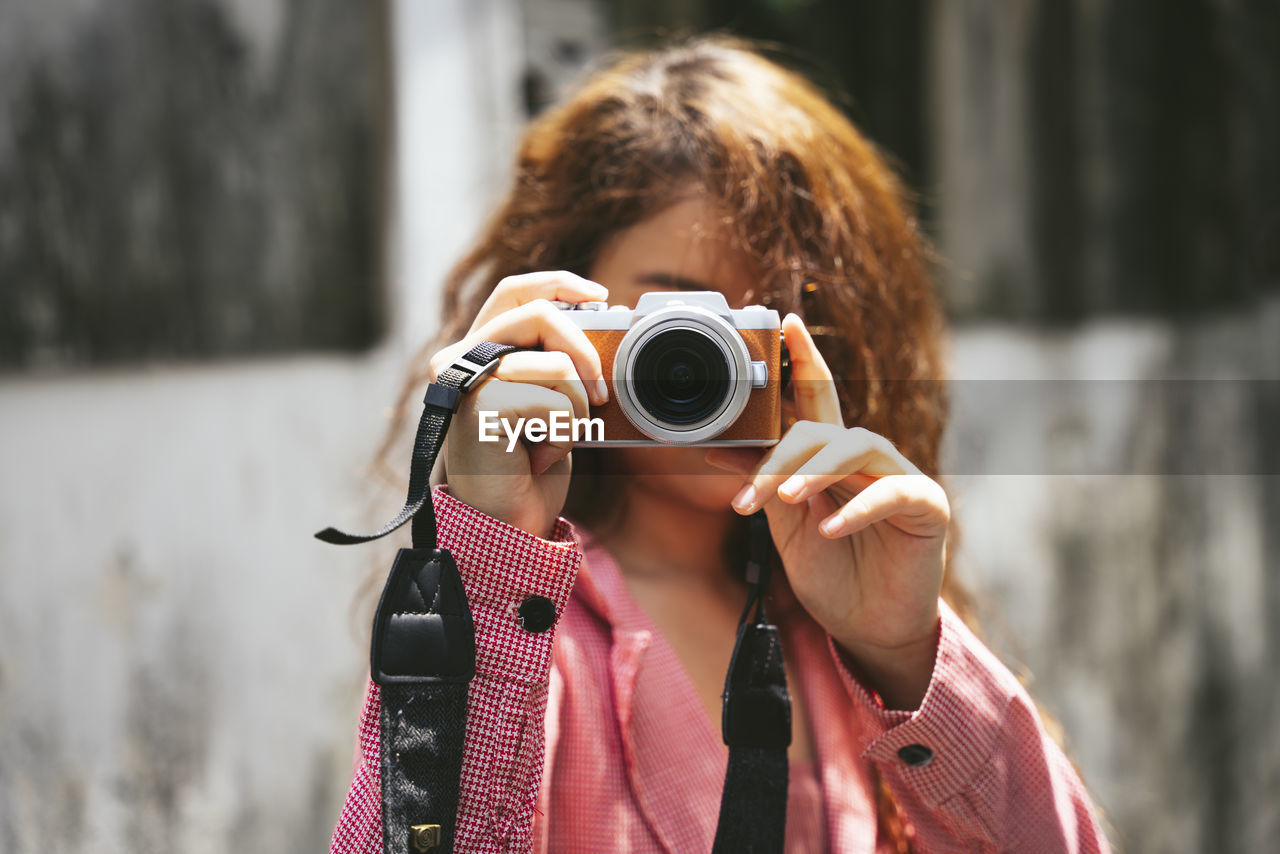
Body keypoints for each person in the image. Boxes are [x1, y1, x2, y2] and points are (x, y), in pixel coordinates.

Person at [330, 36, 1111, 853]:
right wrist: (486, 559)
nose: (718, 364)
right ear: (561, 320)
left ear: (839, 339)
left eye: (762, 318)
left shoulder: (844, 620)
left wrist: (905, 654)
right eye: (679, 323)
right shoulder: (520, 635)